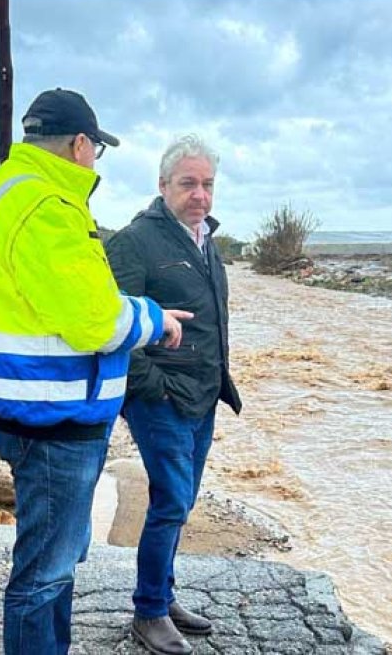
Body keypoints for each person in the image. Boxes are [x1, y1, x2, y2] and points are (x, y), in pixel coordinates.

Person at [0, 88, 191, 655]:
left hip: (22, 404)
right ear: (81, 144)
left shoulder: (9, 190)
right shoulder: (48, 205)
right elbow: (93, 319)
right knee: (46, 572)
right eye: (95, 150)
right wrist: (154, 318)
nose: (93, 161)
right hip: (51, 416)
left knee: (51, 561)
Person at [106, 134, 242, 655]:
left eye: (208, 184)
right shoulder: (135, 242)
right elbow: (117, 325)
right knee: (170, 501)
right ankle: (149, 612)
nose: (200, 195)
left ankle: (163, 595)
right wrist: (153, 389)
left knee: (180, 502)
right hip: (160, 398)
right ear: (163, 186)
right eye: (189, 184)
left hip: (203, 395)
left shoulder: (205, 241)